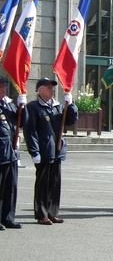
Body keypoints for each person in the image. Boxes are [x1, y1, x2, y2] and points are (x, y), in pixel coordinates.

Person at [24, 77, 78, 225]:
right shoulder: (33, 107)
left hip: (57, 150)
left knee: (55, 183)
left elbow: (70, 121)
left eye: (52, 87)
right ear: (39, 90)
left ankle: (52, 212)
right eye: (48, 87)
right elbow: (30, 132)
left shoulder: (58, 106)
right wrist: (34, 151)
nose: (52, 90)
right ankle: (41, 214)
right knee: (43, 184)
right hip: (44, 151)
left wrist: (71, 104)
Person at [0, 75, 27, 229]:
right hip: (1, 153)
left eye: (4, 87)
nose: (4, 89)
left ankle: (8, 217)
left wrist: (22, 108)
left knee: (10, 187)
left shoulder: (8, 105)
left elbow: (21, 123)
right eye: (1, 87)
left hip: (10, 153)